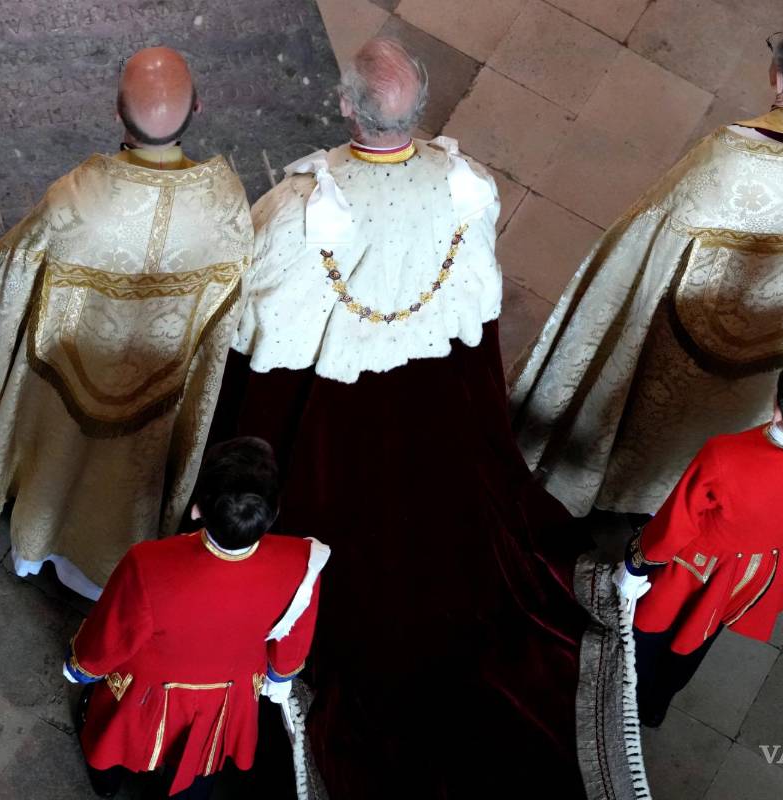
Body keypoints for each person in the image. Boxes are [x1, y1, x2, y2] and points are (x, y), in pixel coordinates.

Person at [212, 37, 634, 800]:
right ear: (420, 108)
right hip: (431, 388)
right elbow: (476, 298)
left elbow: (257, 325)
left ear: (346, 106)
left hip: (331, 406)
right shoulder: (465, 186)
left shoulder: (302, 209)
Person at [511, 9, 783, 519]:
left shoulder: (731, 158)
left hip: (688, 350)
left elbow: (646, 239)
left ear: (778, 77)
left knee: (653, 415)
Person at [0, 47, 254, 597]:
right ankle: (106, 575)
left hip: (64, 377)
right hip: (159, 387)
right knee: (126, 484)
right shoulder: (228, 205)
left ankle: (33, 549)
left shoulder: (77, 198)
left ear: (117, 116)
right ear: (200, 109)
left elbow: (7, 282)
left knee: (54, 465)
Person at [615, 355, 783, 727]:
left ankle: (630, 697)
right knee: (698, 637)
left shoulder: (724, 454)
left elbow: (676, 524)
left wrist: (636, 561)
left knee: (651, 628)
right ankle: (656, 707)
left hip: (697, 563)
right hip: (753, 572)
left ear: (779, 413)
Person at [65, 437, 329, 798]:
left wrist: (81, 665)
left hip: (148, 689)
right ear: (274, 509)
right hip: (229, 691)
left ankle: (106, 782)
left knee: (111, 733)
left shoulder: (147, 562)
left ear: (197, 509)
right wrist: (278, 676)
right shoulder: (303, 562)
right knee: (204, 759)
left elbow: (113, 632)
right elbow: (292, 640)